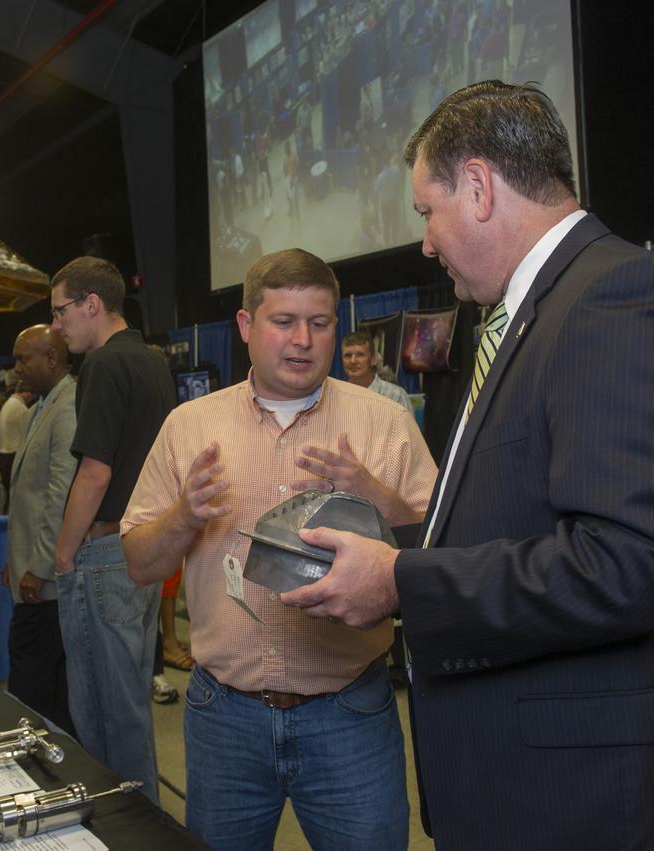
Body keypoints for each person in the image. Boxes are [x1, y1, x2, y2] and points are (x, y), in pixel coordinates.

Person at [278, 81, 654, 849]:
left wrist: (401, 580)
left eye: (427, 211)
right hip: (532, 788)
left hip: (598, 804)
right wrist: (389, 552)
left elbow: (636, 563)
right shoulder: (535, 316)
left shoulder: (619, 298)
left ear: (480, 188)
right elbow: (519, 523)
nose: (426, 242)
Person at [122, 247, 439, 850]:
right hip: (224, 719)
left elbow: (438, 552)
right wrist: (184, 516)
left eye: (319, 323)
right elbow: (140, 563)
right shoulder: (189, 427)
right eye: (284, 321)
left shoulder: (384, 424)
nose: (303, 340)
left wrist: (373, 494)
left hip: (349, 713)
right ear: (246, 325)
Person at [49, 256, 175, 805]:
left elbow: (95, 471)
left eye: (61, 311)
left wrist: (63, 553)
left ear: (92, 304)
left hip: (104, 550)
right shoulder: (152, 361)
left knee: (104, 710)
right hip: (143, 547)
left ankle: (128, 826)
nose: (57, 325)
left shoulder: (101, 365)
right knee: (129, 702)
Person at [3, 325, 77, 735]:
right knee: (38, 686)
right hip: (31, 574)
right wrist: (16, 561)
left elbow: (60, 495)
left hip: (47, 587)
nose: (16, 369)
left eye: (22, 359)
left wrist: (40, 566)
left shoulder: (68, 406)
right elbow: (27, 497)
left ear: (51, 358)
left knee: (36, 688)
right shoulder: (38, 409)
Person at [340, 331, 414, 415]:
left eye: (360, 355)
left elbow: (408, 424)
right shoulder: (337, 397)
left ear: (373, 360)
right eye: (348, 355)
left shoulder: (395, 396)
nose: (353, 361)